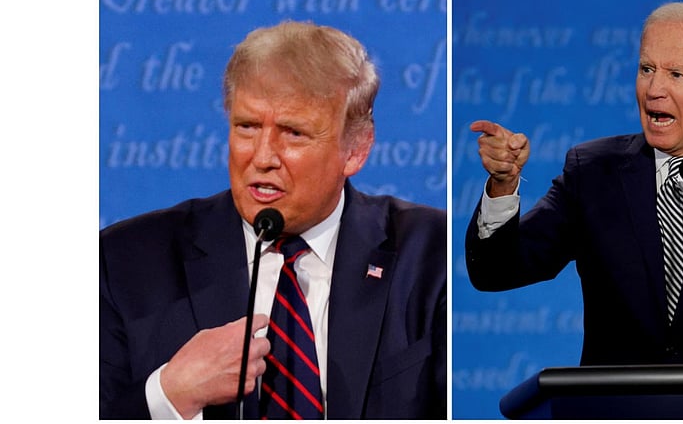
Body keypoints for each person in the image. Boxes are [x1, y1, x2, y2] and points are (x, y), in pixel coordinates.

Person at [100, 21, 446, 419]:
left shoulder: (430, 253)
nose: (262, 157)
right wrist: (170, 394)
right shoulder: (123, 262)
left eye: (293, 133)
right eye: (247, 127)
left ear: (355, 149)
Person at [466, 2, 683, 365]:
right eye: (646, 69)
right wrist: (503, 184)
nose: (654, 89)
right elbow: (495, 271)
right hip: (618, 399)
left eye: (676, 74)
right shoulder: (592, 172)